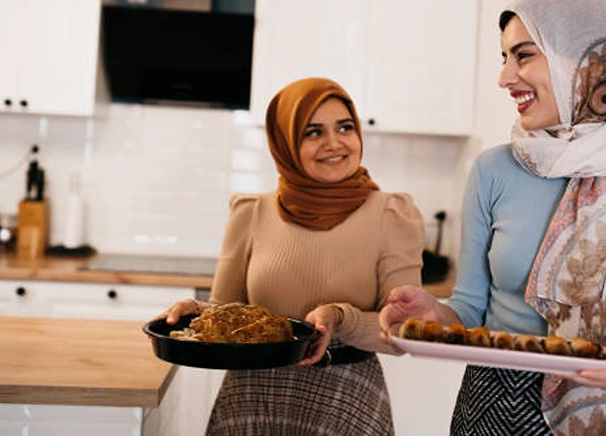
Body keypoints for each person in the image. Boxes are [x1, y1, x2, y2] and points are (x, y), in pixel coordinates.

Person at [379, 0, 606, 435]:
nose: (505, 77)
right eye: (504, 58)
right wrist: (435, 315)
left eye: (524, 55)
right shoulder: (493, 169)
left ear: (586, 61)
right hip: (493, 409)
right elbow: (470, 308)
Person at [161, 77, 424, 435]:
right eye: (312, 132)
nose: (334, 143)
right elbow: (224, 312)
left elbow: (405, 331)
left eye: (345, 127)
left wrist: (341, 318)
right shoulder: (250, 211)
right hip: (251, 395)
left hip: (344, 396)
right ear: (285, 143)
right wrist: (194, 314)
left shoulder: (393, 214)